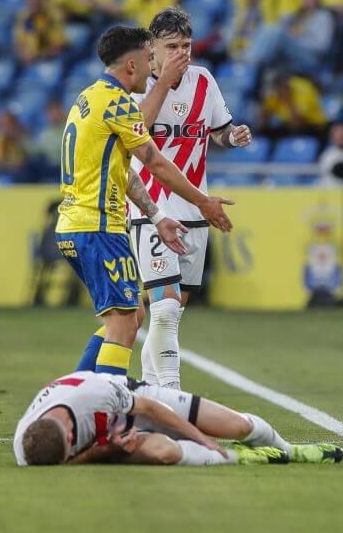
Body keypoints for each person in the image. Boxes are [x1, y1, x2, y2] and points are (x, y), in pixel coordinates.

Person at [56, 25, 234, 380]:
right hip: (98, 226)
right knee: (124, 326)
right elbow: (153, 162)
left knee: (133, 314)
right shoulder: (118, 102)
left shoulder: (89, 96)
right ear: (133, 65)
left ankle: (76, 391)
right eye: (149, 57)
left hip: (77, 224)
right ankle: (107, 411)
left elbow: (126, 172)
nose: (154, 64)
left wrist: (155, 215)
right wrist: (203, 202)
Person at [128, 8, 252, 390]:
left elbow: (217, 131)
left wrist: (233, 137)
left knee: (172, 315)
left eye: (186, 45)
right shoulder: (138, 86)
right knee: (162, 310)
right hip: (151, 209)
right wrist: (163, 80)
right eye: (172, 46)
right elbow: (137, 130)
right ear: (152, 48)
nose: (182, 53)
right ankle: (172, 394)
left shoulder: (204, 81)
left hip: (195, 212)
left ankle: (151, 395)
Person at [14, 370, 343, 466]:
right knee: (166, 453)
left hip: (137, 401)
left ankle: (290, 449)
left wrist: (202, 438)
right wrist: (105, 450)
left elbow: (151, 411)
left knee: (238, 426)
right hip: (109, 441)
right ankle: (240, 458)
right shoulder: (26, 448)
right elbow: (67, 463)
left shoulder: (95, 394)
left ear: (70, 437)